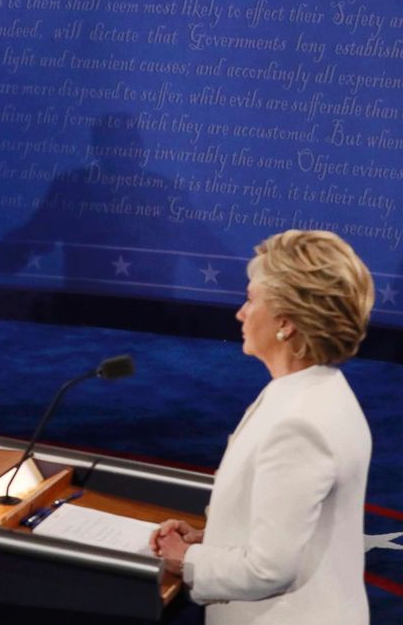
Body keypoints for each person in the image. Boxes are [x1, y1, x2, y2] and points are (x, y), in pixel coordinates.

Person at [150, 230, 374, 624]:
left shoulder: (300, 423)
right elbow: (289, 530)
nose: (240, 313)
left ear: (285, 323)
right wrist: (209, 541)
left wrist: (186, 559)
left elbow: (269, 569)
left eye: (251, 300)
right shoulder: (311, 391)